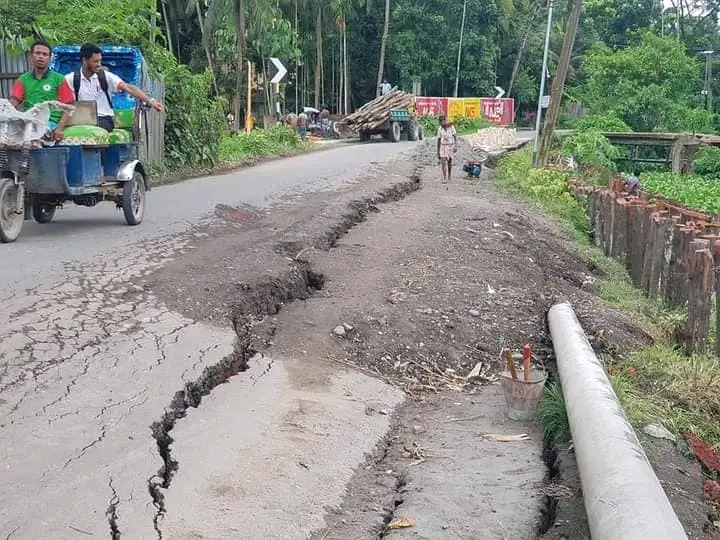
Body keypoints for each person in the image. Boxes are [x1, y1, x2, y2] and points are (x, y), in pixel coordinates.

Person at [65, 43, 163, 133]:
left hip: (104, 119)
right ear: (84, 60)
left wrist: (151, 101)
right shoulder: (70, 79)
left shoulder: (106, 77)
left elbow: (129, 88)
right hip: (80, 120)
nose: (99, 64)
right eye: (95, 61)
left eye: (100, 60)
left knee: (93, 129)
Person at [9, 39, 75, 142]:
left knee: (33, 137)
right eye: (37, 53)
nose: (41, 56)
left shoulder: (59, 79)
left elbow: (69, 107)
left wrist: (59, 128)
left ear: (50, 58)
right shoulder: (23, 79)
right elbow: (12, 103)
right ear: (31, 56)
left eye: (45, 54)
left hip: (50, 123)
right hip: (29, 122)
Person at [436, 116, 457, 187]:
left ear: (445, 121)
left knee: (450, 162)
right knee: (443, 162)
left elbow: (455, 137)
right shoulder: (440, 129)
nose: (442, 123)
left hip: (450, 146)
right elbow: (438, 140)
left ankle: (449, 176)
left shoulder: (451, 127)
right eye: (440, 122)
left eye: (443, 121)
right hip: (443, 146)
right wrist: (438, 151)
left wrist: (455, 146)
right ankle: (444, 177)